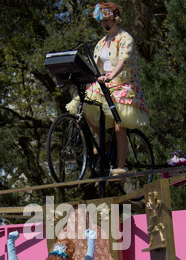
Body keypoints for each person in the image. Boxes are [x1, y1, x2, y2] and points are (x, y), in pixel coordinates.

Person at [66, 2, 149, 176]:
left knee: (120, 125)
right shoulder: (100, 43)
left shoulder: (125, 38)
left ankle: (120, 168)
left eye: (106, 20)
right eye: (100, 21)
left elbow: (123, 60)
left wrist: (112, 75)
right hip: (105, 85)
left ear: (114, 18)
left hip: (124, 84)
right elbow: (94, 67)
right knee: (82, 105)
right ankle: (104, 137)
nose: (103, 24)